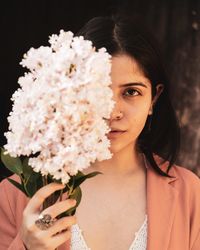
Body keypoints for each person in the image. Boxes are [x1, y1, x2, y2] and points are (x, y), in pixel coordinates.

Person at [0, 13, 200, 250]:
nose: (112, 112)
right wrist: (26, 246)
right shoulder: (14, 196)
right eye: (99, 91)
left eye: (131, 92)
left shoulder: (189, 193)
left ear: (153, 99)